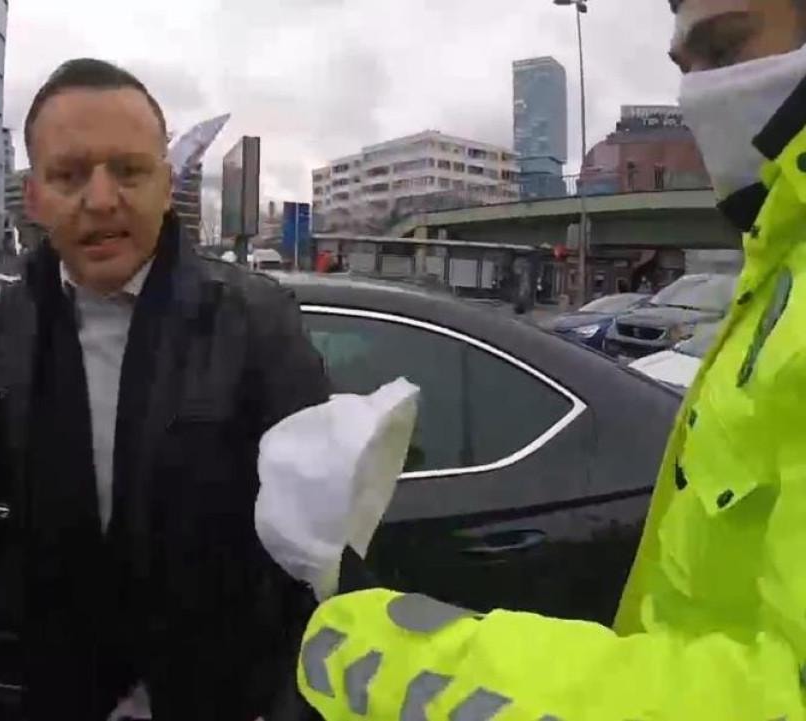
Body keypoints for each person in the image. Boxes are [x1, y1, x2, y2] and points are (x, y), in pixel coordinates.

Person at [294, 0, 806, 718]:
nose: (696, 96)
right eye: (684, 69)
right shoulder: (775, 274)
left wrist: (377, 653)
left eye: (724, 51)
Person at [0, 58, 330, 720]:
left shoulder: (253, 320)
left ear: (166, 186)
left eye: (129, 171)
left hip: (215, 691)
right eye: (70, 175)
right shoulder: (21, 313)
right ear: (33, 197)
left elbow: (320, 542)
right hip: (67, 680)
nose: (103, 199)